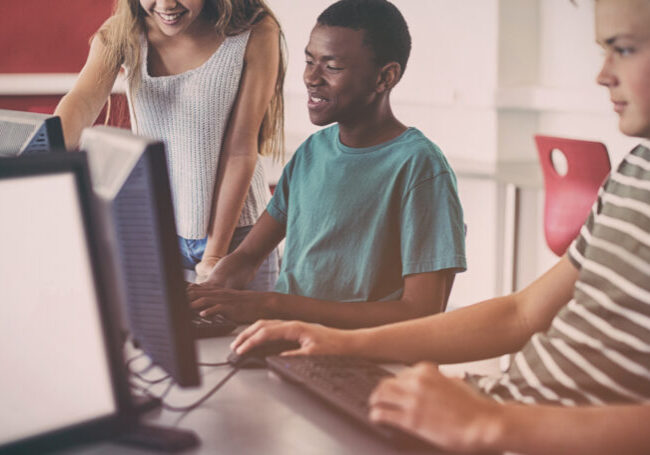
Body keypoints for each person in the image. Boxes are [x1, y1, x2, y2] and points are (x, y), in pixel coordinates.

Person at [230, 0, 650, 452]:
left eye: (623, 49)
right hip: (505, 409)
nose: (602, 74)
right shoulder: (635, 170)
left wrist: (490, 423)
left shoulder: (418, 166)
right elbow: (522, 312)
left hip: (516, 429)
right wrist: (336, 342)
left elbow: (423, 308)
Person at [188, 0, 466, 328]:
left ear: (385, 77)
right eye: (309, 61)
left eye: (331, 66)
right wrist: (207, 293)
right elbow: (248, 257)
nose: (311, 77)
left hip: (363, 360)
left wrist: (275, 306)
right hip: (291, 344)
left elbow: (421, 313)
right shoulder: (312, 152)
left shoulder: (420, 167)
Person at [54, 0, 285, 290]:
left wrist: (213, 256)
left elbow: (239, 150)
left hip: (239, 236)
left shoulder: (256, 31)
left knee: (243, 335)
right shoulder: (122, 32)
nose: (165, 4)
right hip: (159, 230)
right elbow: (83, 101)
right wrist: (47, 153)